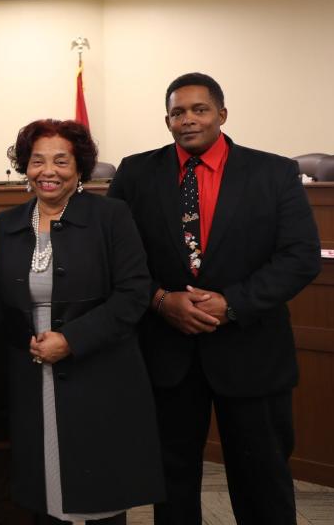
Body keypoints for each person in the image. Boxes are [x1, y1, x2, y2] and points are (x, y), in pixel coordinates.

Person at [107, 72, 321, 524]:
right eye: (177, 112)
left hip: (252, 353)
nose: (188, 120)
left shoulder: (274, 172)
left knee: (262, 481)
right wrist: (161, 300)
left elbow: (300, 258)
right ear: (167, 120)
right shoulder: (136, 173)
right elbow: (114, 258)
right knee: (172, 483)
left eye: (199, 110)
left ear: (221, 114)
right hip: (167, 354)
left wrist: (232, 303)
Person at [0, 119, 164, 524]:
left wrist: (72, 340)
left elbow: (133, 295)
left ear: (79, 167)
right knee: (46, 493)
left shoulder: (111, 216)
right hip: (33, 377)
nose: (48, 171)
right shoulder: (9, 224)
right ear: (24, 167)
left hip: (99, 369)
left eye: (61, 161)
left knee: (102, 494)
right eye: (37, 161)